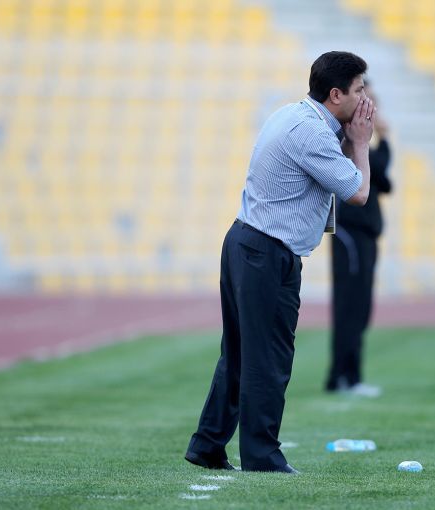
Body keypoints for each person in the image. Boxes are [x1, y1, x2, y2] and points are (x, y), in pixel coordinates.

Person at [184, 51, 375, 474]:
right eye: (359, 90)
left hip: (249, 244)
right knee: (268, 358)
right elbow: (357, 191)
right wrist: (362, 142)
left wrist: (350, 138)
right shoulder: (311, 133)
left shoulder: (296, 116)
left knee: (239, 355)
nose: (365, 99)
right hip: (266, 252)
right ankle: (262, 456)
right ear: (336, 95)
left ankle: (208, 444)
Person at [325, 82, 392, 398]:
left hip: (362, 234)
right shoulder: (349, 140)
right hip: (350, 233)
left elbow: (382, 179)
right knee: (350, 306)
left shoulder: (359, 144)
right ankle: (344, 376)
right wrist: (384, 137)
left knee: (359, 307)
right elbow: (378, 168)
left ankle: (347, 375)